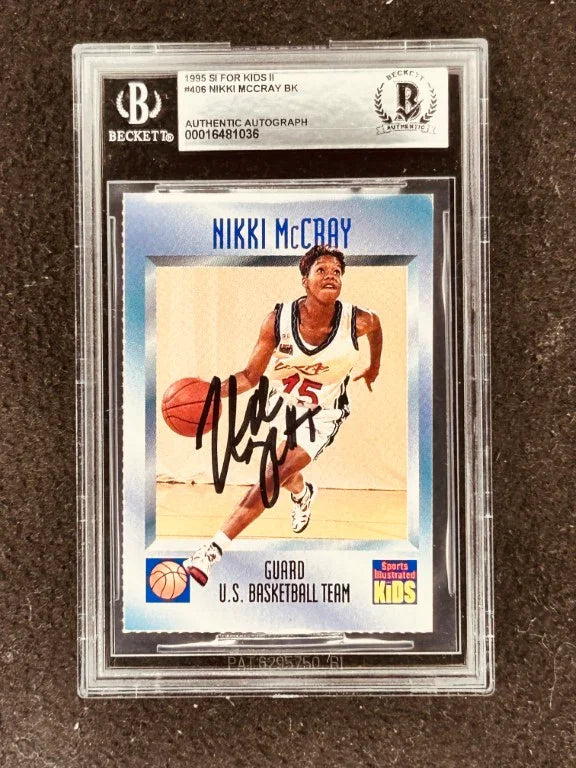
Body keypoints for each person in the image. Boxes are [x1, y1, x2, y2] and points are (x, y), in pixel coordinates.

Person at [184, 244, 382, 586]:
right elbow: (250, 377)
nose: (331, 276)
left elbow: (377, 328)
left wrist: (374, 366)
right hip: (283, 403)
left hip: (323, 413)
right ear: (305, 280)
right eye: (321, 270)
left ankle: (211, 550)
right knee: (283, 474)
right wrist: (212, 392)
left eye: (337, 272)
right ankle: (303, 493)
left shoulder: (358, 320)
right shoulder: (278, 320)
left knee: (271, 476)